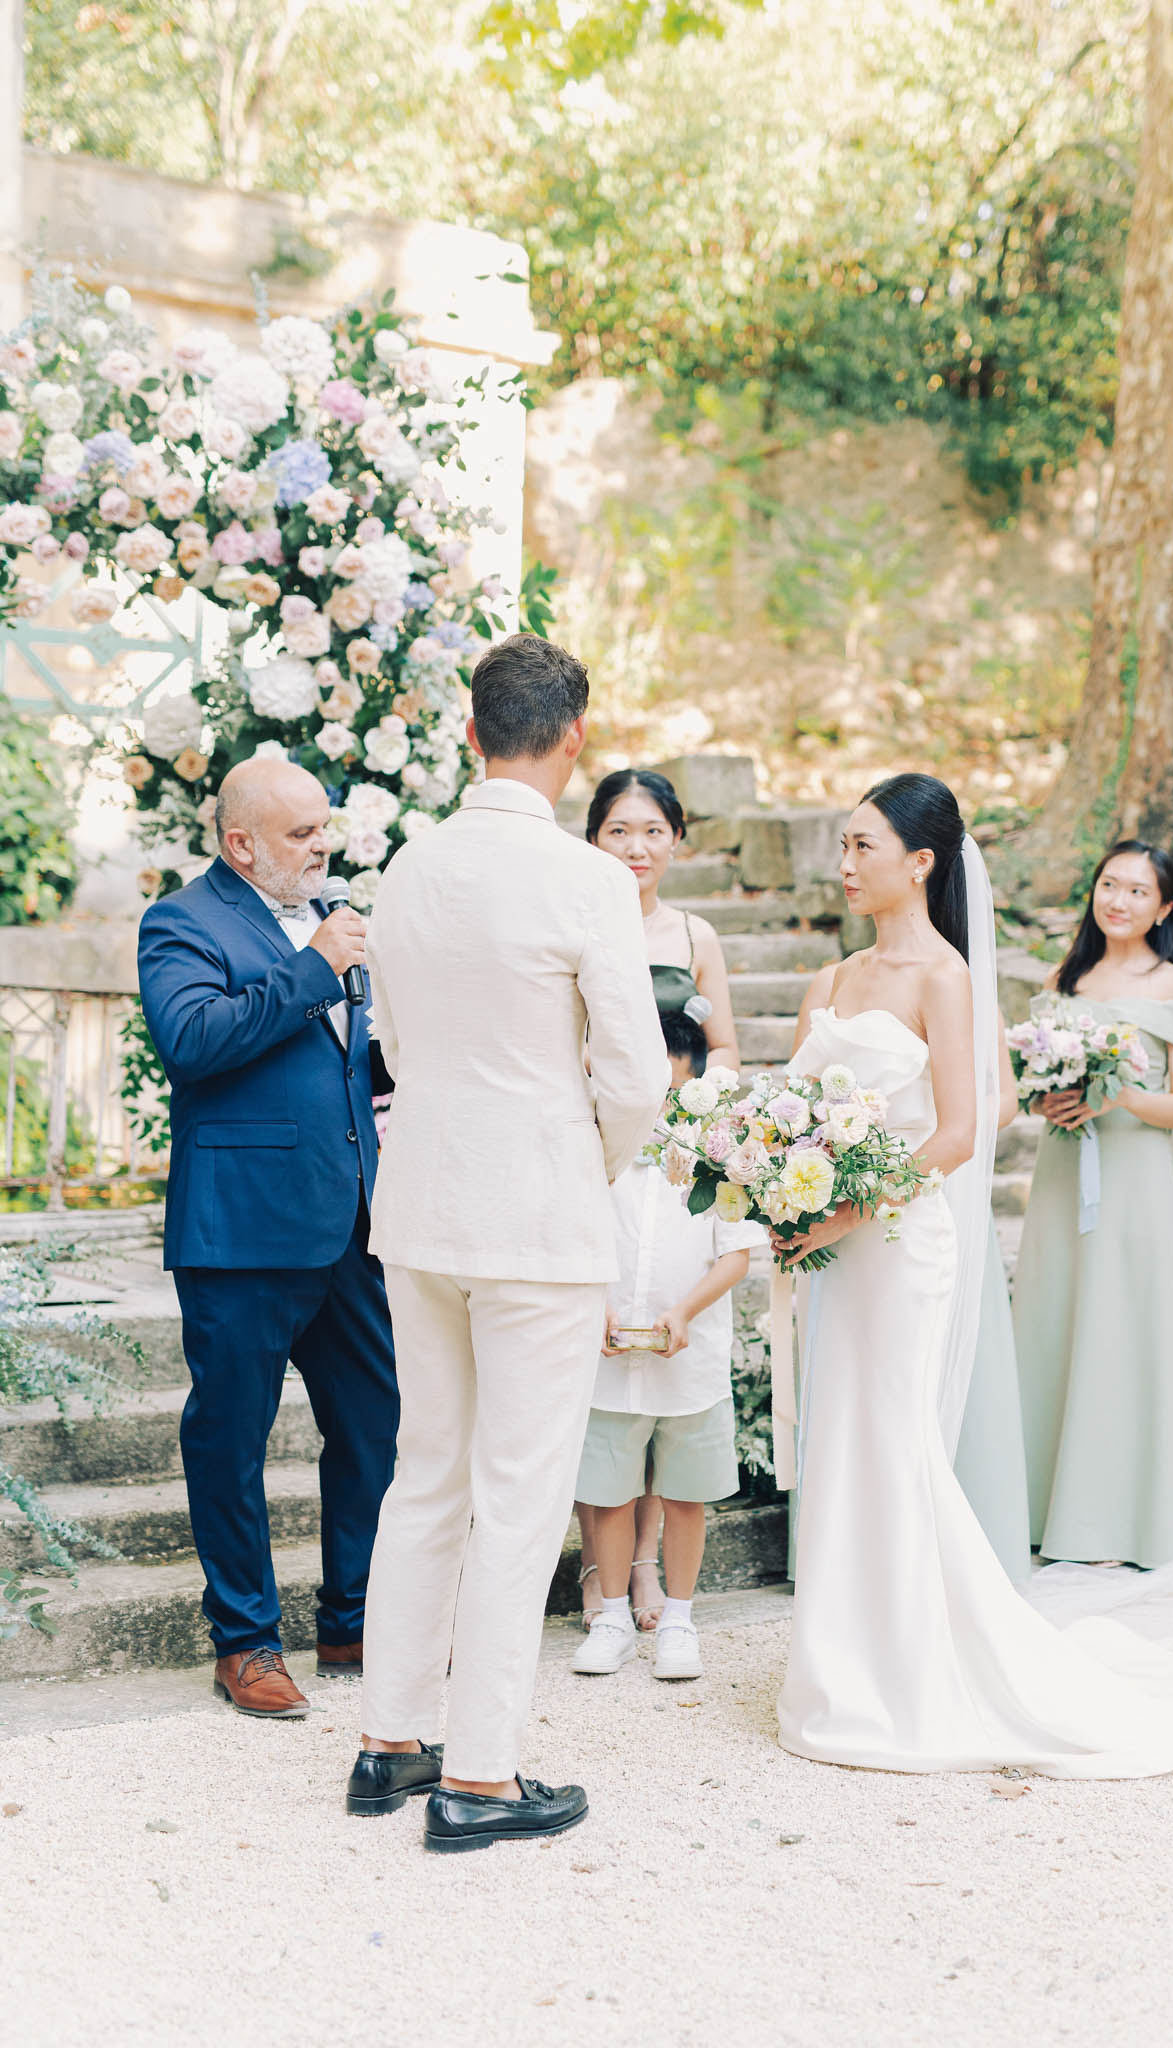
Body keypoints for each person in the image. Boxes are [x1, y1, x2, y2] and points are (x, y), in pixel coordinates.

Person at [775, 772, 1173, 1777]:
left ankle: (909, 1664)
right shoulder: (829, 982)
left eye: (862, 844)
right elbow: (788, 1112)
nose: (843, 861)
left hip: (898, 1242)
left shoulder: (948, 976)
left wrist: (842, 1199)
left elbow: (960, 1130)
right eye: (843, 842)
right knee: (837, 1440)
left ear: (919, 861)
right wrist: (780, 1191)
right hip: (830, 1246)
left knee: (892, 1439)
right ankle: (834, 1656)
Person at [348, 634, 668, 1853]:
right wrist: (588, 1164)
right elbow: (633, 1073)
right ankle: (478, 1776)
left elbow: (391, 1042)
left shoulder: (407, 866)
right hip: (535, 1212)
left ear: (470, 732)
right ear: (572, 738)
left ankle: (388, 1740)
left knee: (425, 1472)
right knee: (519, 1492)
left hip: (421, 1204)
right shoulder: (587, 878)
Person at [137, 758, 399, 1719]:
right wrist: (314, 967)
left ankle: (353, 1617)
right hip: (240, 1228)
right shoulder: (180, 923)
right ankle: (244, 1641)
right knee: (230, 1439)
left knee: (375, 1426)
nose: (321, 845)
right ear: (240, 841)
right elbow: (195, 1042)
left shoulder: (336, 921)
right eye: (300, 833)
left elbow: (347, 1062)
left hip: (350, 1219)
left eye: (323, 828)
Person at [1011, 842, 1173, 1570]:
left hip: (1133, 1178)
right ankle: (1042, 1505)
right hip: (1064, 1169)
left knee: (1124, 1328)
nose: (1117, 900)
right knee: (1057, 1320)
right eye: (1107, 885)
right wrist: (1051, 1098)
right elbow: (1033, 1083)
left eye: (1136, 890)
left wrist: (1113, 1092)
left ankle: (1120, 1520)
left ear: (1162, 908)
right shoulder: (1064, 979)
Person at [576, 766, 741, 1630]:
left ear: (676, 839)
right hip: (592, 1144)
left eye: (653, 832)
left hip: (676, 1149)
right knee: (604, 1389)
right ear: (592, 837)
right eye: (618, 831)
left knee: (663, 1386)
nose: (637, 848)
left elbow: (724, 1047)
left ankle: (647, 1568)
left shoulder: (693, 932)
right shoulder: (574, 916)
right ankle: (601, 1572)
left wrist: (695, 1115)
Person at [572, 1006, 764, 1683]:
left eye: (674, 1092)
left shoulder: (722, 1165)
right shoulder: (598, 1155)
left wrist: (683, 1312)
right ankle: (615, 1617)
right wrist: (596, 1306)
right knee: (612, 1495)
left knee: (684, 1497)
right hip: (611, 1361)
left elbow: (736, 1255)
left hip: (689, 1365)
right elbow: (579, 1238)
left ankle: (679, 1618)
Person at [953, 1015, 1031, 1585]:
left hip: (946, 1176)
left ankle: (977, 1522)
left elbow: (1006, 1099)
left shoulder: (976, 996)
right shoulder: (834, 979)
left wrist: (944, 1125)